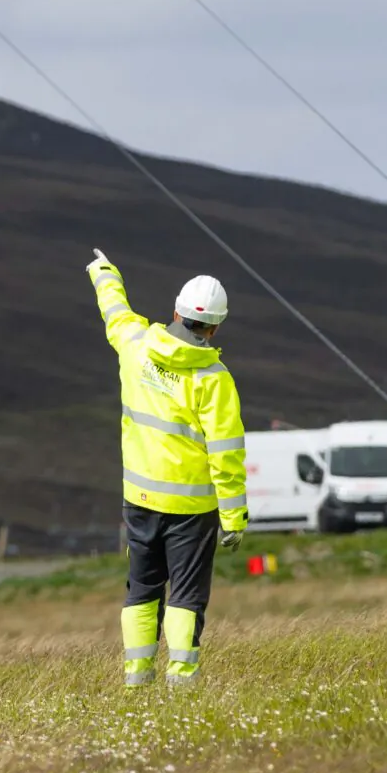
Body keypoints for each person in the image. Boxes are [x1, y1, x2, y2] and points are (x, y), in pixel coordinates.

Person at [87, 249, 247, 686]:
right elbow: (226, 454)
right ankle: (181, 681)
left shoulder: (135, 346)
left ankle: (137, 677)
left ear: (174, 311)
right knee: (186, 596)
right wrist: (233, 517)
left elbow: (114, 308)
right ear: (215, 326)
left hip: (139, 500)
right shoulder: (214, 380)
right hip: (192, 509)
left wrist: (104, 271)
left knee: (142, 588)